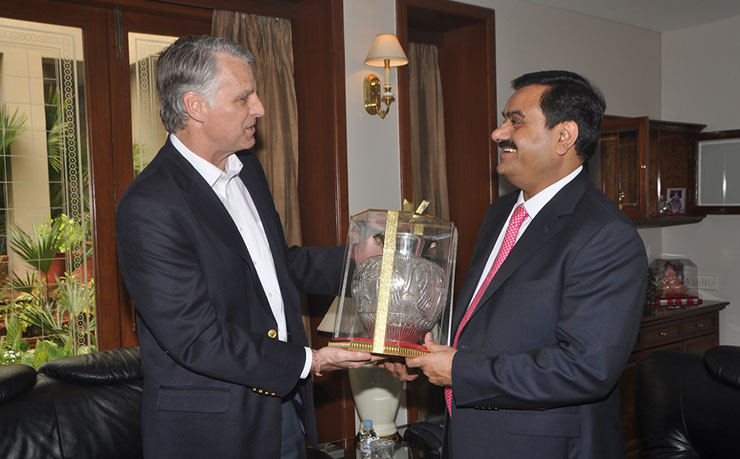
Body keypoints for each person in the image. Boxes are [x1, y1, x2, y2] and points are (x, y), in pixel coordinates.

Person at [116, 35, 375, 459]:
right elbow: (196, 338)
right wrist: (310, 362)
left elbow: (276, 265)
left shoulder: (247, 169)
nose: (260, 108)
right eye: (244, 98)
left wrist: (356, 261)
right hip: (214, 431)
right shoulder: (150, 205)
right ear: (195, 107)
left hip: (283, 407)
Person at [381, 70, 648, 458]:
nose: (497, 133)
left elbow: (586, 368)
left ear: (564, 136)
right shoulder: (501, 212)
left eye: (515, 121)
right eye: (504, 119)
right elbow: (488, 325)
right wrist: (426, 358)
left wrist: (461, 371)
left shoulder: (605, 233)